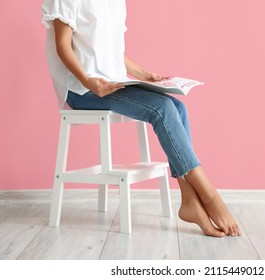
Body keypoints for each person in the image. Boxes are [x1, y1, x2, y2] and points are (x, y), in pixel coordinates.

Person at [41, 0, 240, 237]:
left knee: (177, 107)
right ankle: (208, 195)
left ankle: (190, 200)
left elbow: (113, 52)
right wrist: (87, 81)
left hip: (113, 83)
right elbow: (62, 45)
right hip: (81, 89)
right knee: (162, 109)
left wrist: (145, 74)